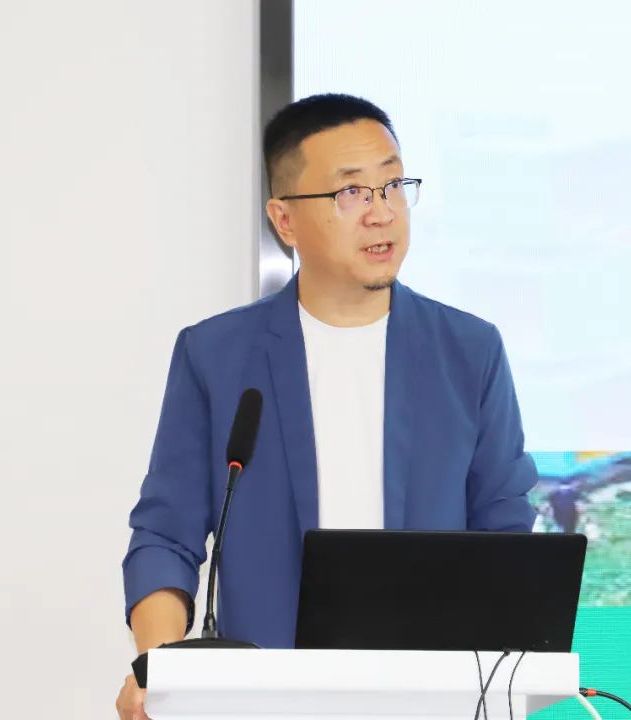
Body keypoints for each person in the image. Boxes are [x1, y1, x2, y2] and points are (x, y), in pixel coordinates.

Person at [115, 93, 538, 720]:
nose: (382, 213)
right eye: (351, 192)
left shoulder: (468, 351)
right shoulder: (217, 355)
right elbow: (165, 535)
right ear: (285, 220)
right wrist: (158, 667)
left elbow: (506, 534)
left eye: (393, 185)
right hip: (264, 702)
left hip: (432, 702)